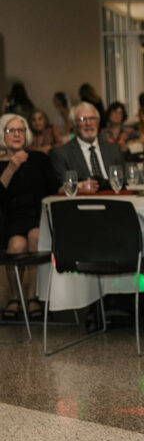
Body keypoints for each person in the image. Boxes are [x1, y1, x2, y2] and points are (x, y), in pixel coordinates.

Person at [0, 113, 58, 322]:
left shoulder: (39, 159)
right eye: (11, 130)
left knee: (36, 236)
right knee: (16, 245)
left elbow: (55, 187)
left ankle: (33, 296)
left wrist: (75, 187)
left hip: (38, 216)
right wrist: (12, 166)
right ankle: (15, 297)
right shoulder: (1, 164)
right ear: (2, 135)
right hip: (12, 219)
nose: (16, 134)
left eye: (21, 130)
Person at [49, 102, 126, 193]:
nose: (88, 123)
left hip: (115, 200)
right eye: (82, 119)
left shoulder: (113, 150)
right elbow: (60, 188)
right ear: (74, 125)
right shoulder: (62, 154)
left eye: (92, 118)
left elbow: (124, 181)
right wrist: (77, 189)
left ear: (98, 123)